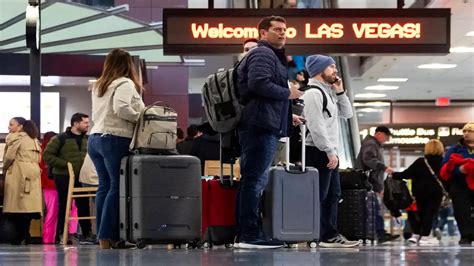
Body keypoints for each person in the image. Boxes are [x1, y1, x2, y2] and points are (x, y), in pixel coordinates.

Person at [235, 15, 304, 249]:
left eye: (285, 29)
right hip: (259, 125)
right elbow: (258, 84)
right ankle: (248, 235)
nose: (283, 33)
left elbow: (261, 91)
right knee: (254, 181)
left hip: (263, 123)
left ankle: (248, 233)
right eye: (277, 29)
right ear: (263, 33)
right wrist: (288, 93)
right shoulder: (262, 54)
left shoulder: (270, 56)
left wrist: (288, 115)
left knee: (254, 179)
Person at [88, 48, 145, 249]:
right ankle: (107, 235)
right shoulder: (125, 83)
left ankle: (105, 237)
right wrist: (142, 118)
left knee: (104, 185)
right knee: (116, 186)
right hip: (115, 138)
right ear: (128, 64)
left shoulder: (99, 85)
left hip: (95, 138)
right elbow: (121, 108)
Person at [302, 55, 358, 248]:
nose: (335, 70)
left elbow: (348, 114)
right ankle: (316, 234)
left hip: (329, 151)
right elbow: (316, 127)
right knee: (320, 195)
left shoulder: (327, 92)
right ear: (319, 69)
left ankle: (329, 234)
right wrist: (328, 150)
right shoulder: (313, 94)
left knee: (333, 194)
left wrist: (340, 92)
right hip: (318, 151)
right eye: (331, 66)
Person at [43, 113, 95, 245]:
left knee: (83, 205)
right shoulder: (60, 138)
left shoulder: (88, 139)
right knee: (64, 205)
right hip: (63, 176)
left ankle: (86, 233)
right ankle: (61, 234)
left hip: (82, 176)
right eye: (85, 123)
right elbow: (47, 155)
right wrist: (66, 165)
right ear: (75, 123)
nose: (88, 125)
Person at [393, 139, 445, 246]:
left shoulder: (421, 161)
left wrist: (394, 175)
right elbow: (447, 178)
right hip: (436, 193)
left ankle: (416, 235)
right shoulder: (444, 162)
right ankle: (425, 237)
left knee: (419, 213)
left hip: (419, 193)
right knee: (429, 214)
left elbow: (406, 174)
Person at [2, 117, 42, 245]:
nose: (9, 127)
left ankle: (18, 236)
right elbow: (39, 158)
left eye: (11, 124)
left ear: (20, 127)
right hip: (33, 173)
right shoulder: (34, 139)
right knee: (28, 207)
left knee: (16, 207)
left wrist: (5, 169)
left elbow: (9, 157)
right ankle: (27, 234)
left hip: (18, 174)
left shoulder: (15, 138)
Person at [355, 126, 398, 243]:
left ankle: (380, 233)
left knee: (374, 208)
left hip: (370, 182)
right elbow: (367, 159)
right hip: (368, 182)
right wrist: (384, 168)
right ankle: (380, 233)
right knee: (373, 209)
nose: (386, 140)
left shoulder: (375, 145)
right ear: (379, 134)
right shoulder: (371, 144)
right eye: (386, 137)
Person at [40, 131, 80, 244]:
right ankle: (69, 235)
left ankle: (49, 238)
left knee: (52, 212)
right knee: (71, 209)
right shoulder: (62, 150)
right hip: (64, 183)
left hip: (48, 186)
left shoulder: (43, 152)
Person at [440, 122, 474, 245]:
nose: (466, 134)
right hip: (459, 186)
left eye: (470, 131)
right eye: (464, 131)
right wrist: (459, 170)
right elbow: (445, 167)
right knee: (461, 211)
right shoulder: (455, 149)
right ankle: (465, 235)